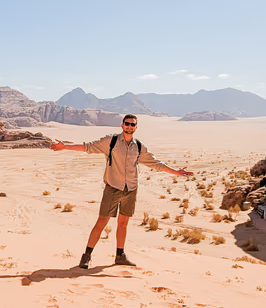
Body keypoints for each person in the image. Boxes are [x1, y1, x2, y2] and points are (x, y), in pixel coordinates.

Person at [50, 114, 193, 268]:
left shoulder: (139, 146)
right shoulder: (110, 142)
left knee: (123, 223)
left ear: (136, 128)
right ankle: (86, 256)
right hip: (113, 188)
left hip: (130, 189)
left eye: (132, 125)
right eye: (127, 124)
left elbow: (155, 163)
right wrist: (65, 146)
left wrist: (176, 172)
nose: (129, 127)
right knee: (102, 222)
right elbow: (87, 147)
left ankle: (120, 255)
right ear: (122, 125)